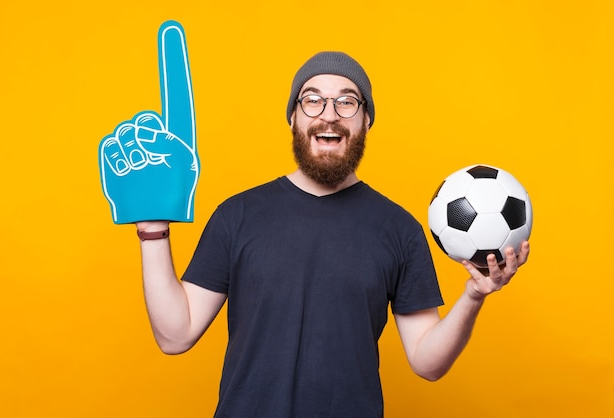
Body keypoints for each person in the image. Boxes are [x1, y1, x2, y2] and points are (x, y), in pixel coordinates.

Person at [135, 51, 530, 417]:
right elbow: (176, 335)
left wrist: (474, 296)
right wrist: (152, 228)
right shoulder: (238, 215)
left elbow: (427, 363)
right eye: (312, 100)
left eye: (347, 102)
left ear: (366, 120)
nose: (329, 114)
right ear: (293, 117)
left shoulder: (399, 229)